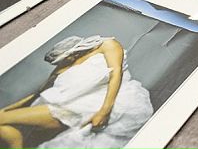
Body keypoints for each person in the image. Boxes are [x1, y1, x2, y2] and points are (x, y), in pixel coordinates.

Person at [0, 36, 153, 149]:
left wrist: (104, 111)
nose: (66, 61)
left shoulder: (107, 44)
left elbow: (116, 73)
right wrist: (8, 109)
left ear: (76, 50)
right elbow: (39, 93)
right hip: (74, 105)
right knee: (4, 124)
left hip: (118, 101)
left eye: (68, 57)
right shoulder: (62, 67)